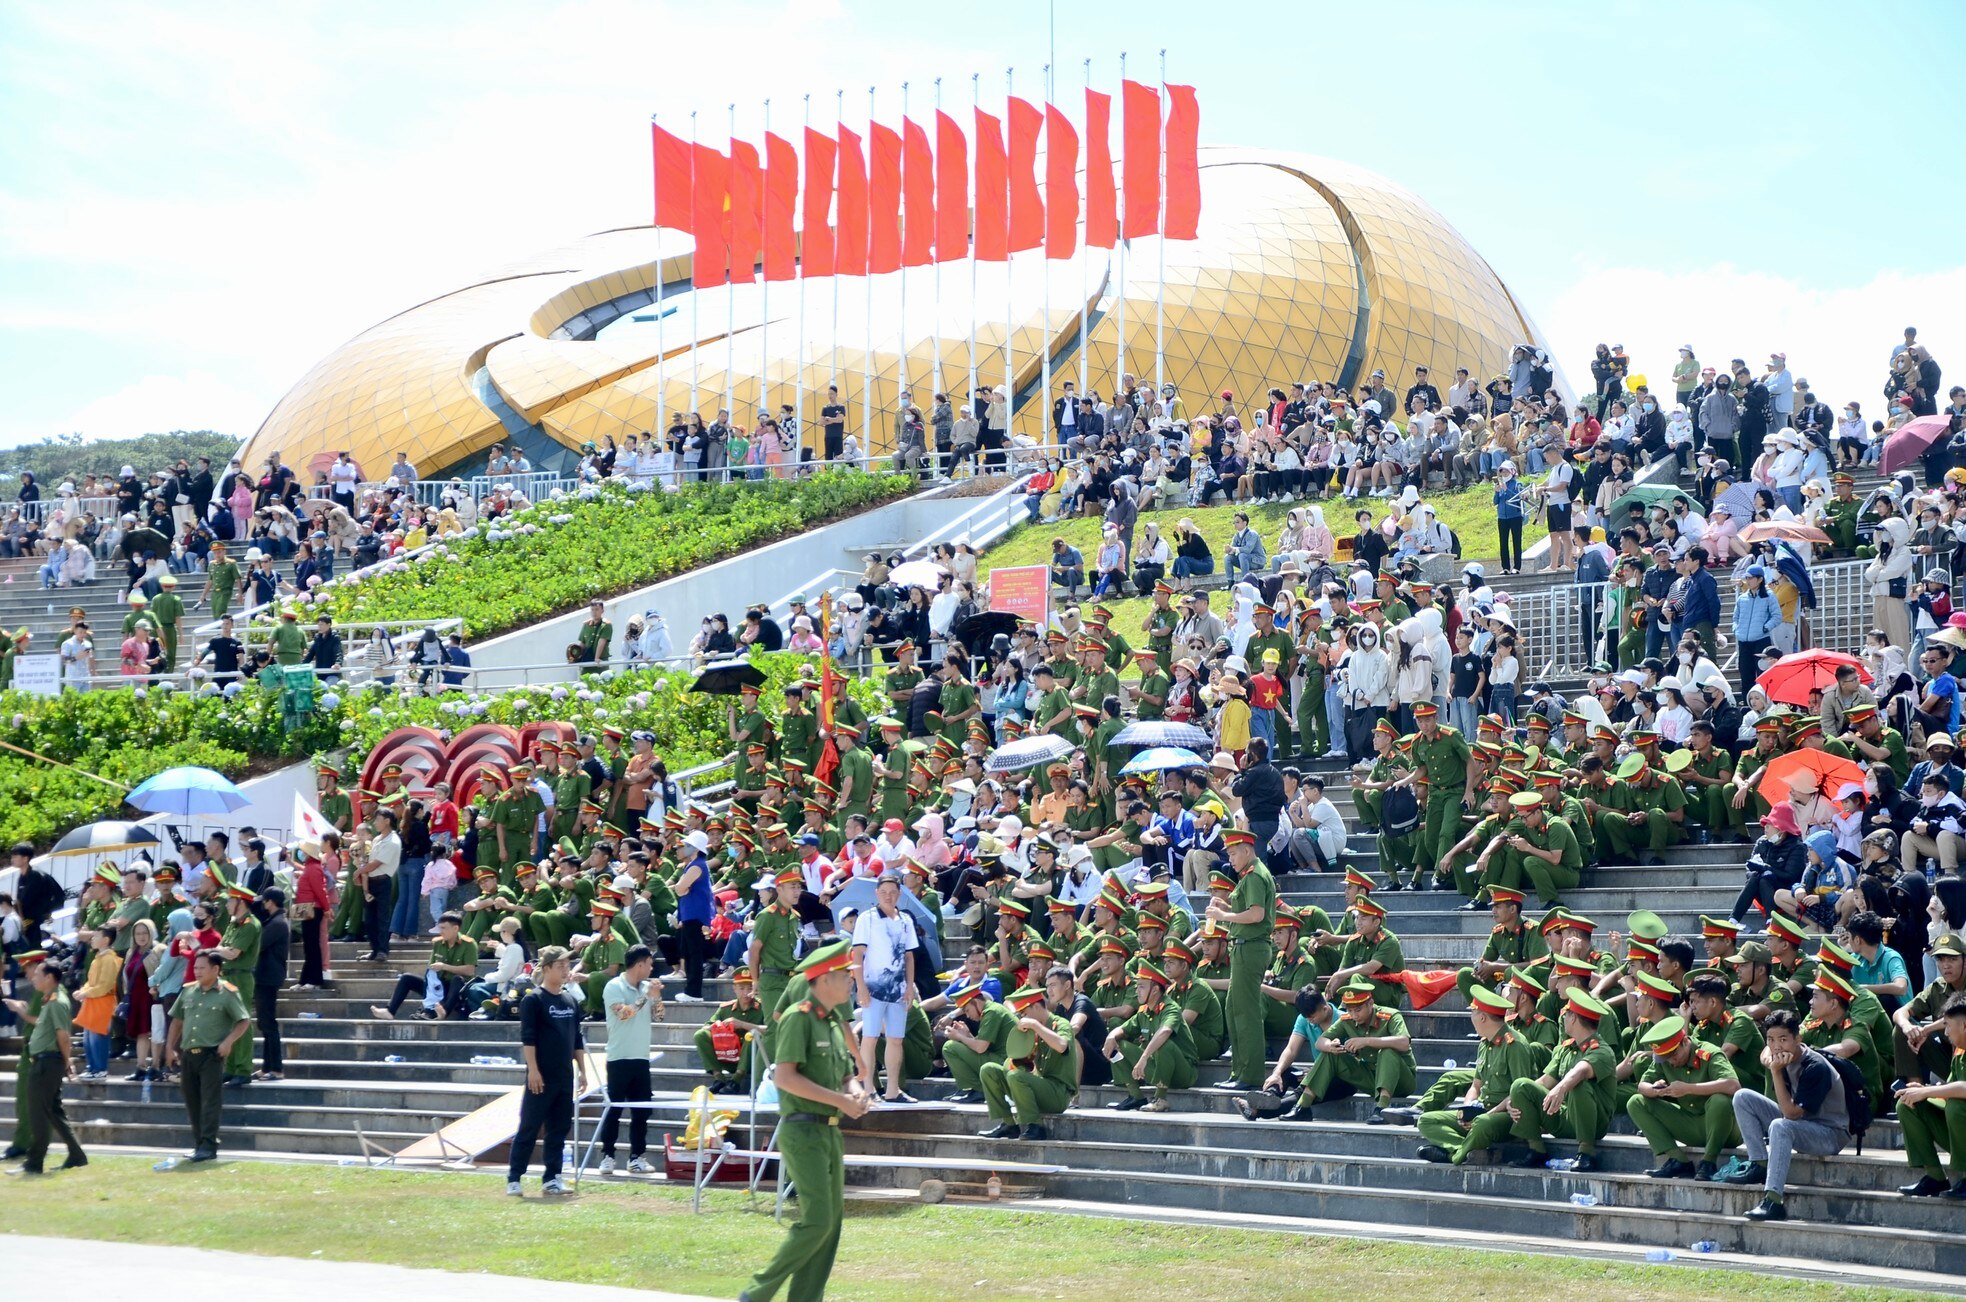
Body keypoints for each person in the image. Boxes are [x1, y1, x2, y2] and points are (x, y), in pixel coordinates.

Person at [741, 941, 869, 1302]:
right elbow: (785, 1077)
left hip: (829, 1131)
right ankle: (757, 1291)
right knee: (816, 1220)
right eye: (845, 976)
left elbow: (846, 1074)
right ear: (825, 979)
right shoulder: (799, 1017)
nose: (850, 983)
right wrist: (841, 1100)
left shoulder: (829, 1022)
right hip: (802, 1129)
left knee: (830, 1226)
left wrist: (856, 1091)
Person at [1725, 1008, 1852, 1221]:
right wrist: (1773, 1062)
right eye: (1771, 1040)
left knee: (1780, 1125)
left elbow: (1791, 1114)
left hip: (1829, 1133)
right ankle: (1759, 1164)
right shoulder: (1781, 1057)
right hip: (1803, 1124)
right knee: (1742, 1097)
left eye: (1783, 1039)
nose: (1776, 1046)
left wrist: (1774, 1070)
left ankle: (1773, 1201)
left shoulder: (1815, 1066)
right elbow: (1766, 1054)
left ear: (1798, 1038)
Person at [507, 945, 590, 1196]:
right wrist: (533, 1070)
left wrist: (583, 1071)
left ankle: (552, 1177)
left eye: (567, 965)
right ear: (546, 969)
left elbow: (576, 1040)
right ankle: (514, 1177)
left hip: (564, 1077)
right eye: (560, 966)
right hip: (540, 1077)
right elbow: (528, 1038)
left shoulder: (571, 1001)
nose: (566, 970)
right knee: (529, 1127)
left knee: (559, 1128)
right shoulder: (534, 1000)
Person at [164, 951, 251, 1162]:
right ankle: (199, 1143)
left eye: (202, 968)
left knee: (210, 1102)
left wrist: (228, 1041)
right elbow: (177, 1022)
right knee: (192, 1101)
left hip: (211, 1054)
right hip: (188, 1054)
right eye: (195, 967)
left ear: (215, 969)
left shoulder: (227, 992)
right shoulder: (188, 991)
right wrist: (169, 1048)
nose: (198, 971)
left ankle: (209, 1146)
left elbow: (243, 1020)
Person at [9, 957, 86, 1175]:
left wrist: (67, 1061)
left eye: (38, 975)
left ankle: (34, 1163)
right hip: (46, 1062)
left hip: (46, 1064)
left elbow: (63, 1036)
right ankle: (77, 1155)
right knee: (53, 1112)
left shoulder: (57, 1002)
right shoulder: (50, 1000)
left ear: (50, 978)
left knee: (38, 1115)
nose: (33, 978)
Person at [851, 870, 919, 1103]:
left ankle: (892, 1089)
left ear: (900, 893)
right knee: (870, 1037)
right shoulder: (866, 918)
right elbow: (857, 955)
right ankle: (868, 1088)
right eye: (883, 892)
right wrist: (860, 987)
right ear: (876, 893)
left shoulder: (906, 920)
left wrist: (910, 986)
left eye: (892, 892)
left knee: (895, 1038)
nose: (888, 896)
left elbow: (909, 956)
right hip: (873, 986)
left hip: (898, 988)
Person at [596, 944, 664, 1174]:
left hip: (641, 1057)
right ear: (640, 964)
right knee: (614, 1109)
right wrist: (646, 996)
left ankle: (637, 1156)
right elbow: (624, 1014)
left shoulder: (646, 988)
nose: (652, 968)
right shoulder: (614, 986)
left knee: (641, 1110)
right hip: (619, 1057)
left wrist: (657, 998)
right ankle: (607, 1156)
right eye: (650, 964)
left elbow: (660, 1017)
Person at [252, 889, 291, 1081]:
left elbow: (258, 943)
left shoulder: (277, 924)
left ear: (271, 902)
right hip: (265, 976)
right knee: (264, 1022)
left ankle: (276, 1068)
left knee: (268, 1023)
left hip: (269, 977)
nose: (261, 906)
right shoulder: (275, 921)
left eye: (264, 902)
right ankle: (267, 1066)